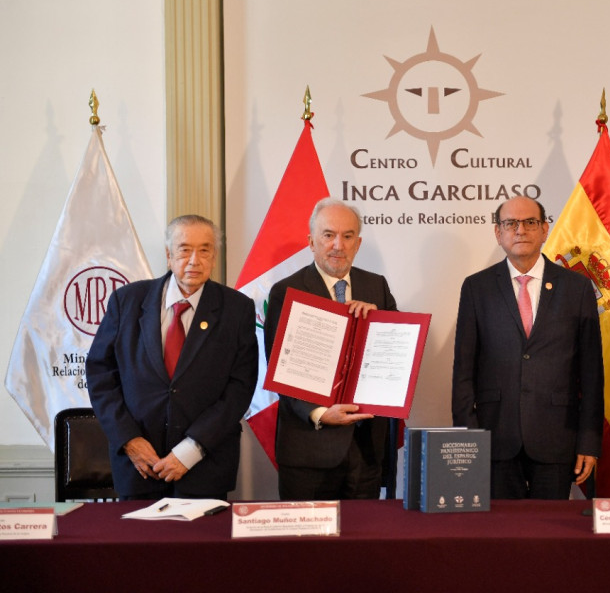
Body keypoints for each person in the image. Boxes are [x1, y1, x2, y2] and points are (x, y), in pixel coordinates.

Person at [86, 215, 258, 500]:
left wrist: (191, 450)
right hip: (139, 466)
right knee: (140, 545)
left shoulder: (237, 309)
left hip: (205, 467)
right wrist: (129, 440)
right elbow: (100, 374)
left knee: (201, 546)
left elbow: (240, 388)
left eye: (204, 250)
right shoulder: (127, 301)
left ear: (214, 256)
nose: (194, 260)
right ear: (168, 255)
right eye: (184, 249)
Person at [452, 196, 604, 499]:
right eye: (510, 223)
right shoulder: (476, 287)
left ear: (545, 229)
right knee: (502, 535)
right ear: (498, 233)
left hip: (557, 438)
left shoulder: (576, 288)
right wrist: (469, 443)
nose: (520, 230)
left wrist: (588, 440)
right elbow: (463, 372)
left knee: (550, 538)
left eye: (530, 222)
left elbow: (591, 372)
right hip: (494, 439)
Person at [264, 198, 397, 500]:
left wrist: (376, 322)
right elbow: (278, 367)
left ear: (358, 243)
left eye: (348, 236)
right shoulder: (286, 291)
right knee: (307, 548)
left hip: (365, 452)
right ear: (311, 241)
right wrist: (321, 413)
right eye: (328, 235)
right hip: (308, 453)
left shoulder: (377, 286)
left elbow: (393, 362)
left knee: (363, 546)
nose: (338, 245)